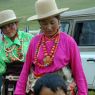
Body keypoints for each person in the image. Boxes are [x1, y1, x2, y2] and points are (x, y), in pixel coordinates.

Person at [14, 0, 88, 95]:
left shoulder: (69, 41)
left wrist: (83, 93)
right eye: (44, 23)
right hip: (39, 90)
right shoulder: (34, 41)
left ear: (58, 20)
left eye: (52, 22)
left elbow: (78, 71)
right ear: (39, 24)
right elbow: (26, 69)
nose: (48, 27)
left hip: (62, 90)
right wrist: (19, 92)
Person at [0, 9, 33, 94]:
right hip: (9, 84)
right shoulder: (1, 45)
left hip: (29, 83)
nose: (7, 29)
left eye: (10, 25)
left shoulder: (30, 38)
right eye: (3, 27)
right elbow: (1, 68)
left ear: (16, 24)